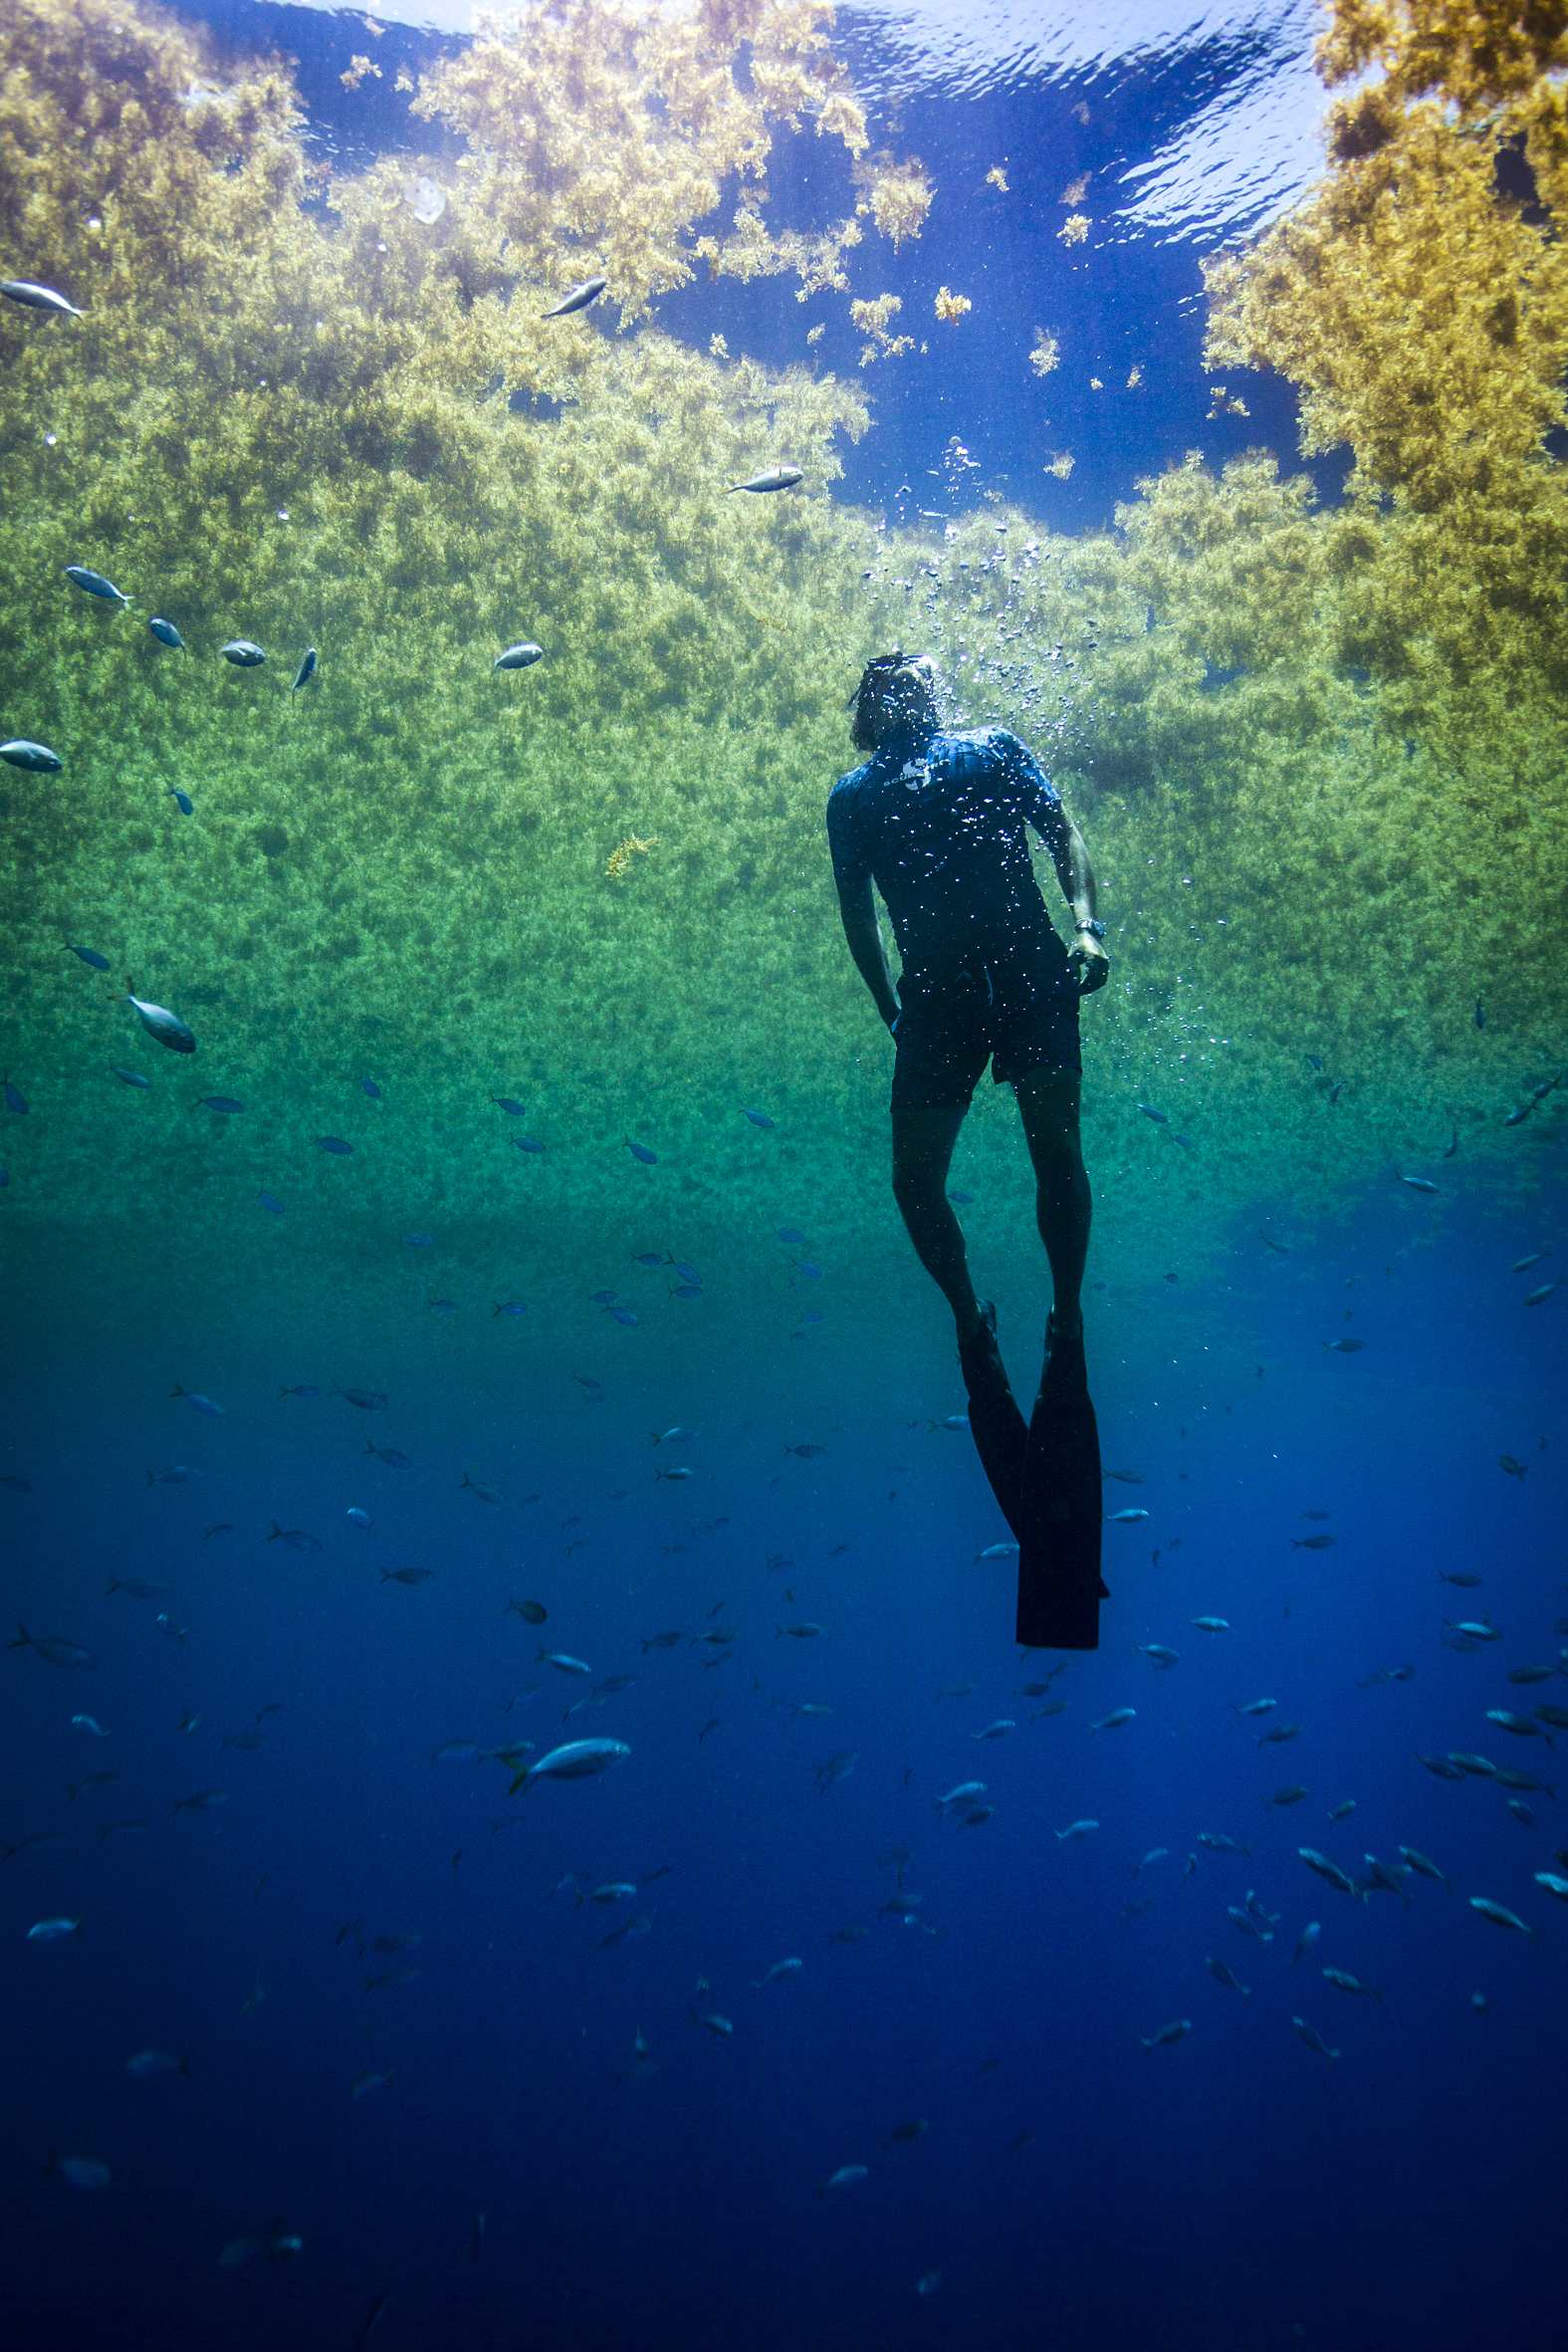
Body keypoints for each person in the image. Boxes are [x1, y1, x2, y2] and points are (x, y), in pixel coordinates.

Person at [827, 650, 1108, 1385]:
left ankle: (1066, 1317)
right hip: (935, 998)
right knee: (913, 1182)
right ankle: (966, 1320)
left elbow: (1060, 829)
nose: (904, 687)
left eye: (914, 676)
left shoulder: (992, 746)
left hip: (1030, 975)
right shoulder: (852, 796)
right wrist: (889, 1007)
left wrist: (1086, 926)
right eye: (886, 683)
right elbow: (856, 910)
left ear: (933, 692)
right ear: (866, 711)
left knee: (1056, 1154)